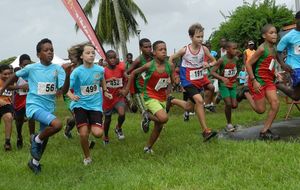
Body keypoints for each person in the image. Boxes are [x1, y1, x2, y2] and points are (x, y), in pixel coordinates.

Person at [0, 38, 72, 174]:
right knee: (57, 125)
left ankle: (34, 163)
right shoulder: (31, 68)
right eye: (46, 50)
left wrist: (67, 74)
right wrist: (2, 89)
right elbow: (14, 76)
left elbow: (63, 89)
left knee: (44, 138)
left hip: (48, 107)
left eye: (52, 50)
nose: (50, 52)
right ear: (38, 54)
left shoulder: (58, 69)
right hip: (34, 106)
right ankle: (35, 138)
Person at [121, 40, 174, 153]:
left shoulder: (170, 65)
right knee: (163, 118)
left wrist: (169, 91)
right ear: (155, 53)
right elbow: (132, 72)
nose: (164, 51)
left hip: (162, 96)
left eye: (165, 49)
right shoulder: (146, 63)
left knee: (159, 125)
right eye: (160, 50)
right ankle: (147, 116)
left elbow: (171, 82)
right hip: (149, 95)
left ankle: (148, 147)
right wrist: (126, 88)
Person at [168, 23, 217, 141]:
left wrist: (208, 64)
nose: (200, 39)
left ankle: (172, 100)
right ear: (191, 37)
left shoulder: (204, 49)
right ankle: (205, 131)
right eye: (198, 37)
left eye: (202, 37)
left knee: (189, 107)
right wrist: (172, 75)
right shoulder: (185, 50)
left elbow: (214, 60)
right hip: (187, 79)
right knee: (199, 101)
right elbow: (170, 59)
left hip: (198, 79)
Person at [67, 42, 112, 165]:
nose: (91, 55)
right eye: (88, 53)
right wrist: (71, 95)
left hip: (95, 105)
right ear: (81, 56)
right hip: (80, 104)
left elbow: (101, 78)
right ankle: (87, 157)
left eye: (93, 53)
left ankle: (90, 124)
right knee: (83, 134)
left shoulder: (99, 69)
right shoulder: (77, 72)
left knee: (98, 133)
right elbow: (66, 88)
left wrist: (106, 90)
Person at [244, 24, 280, 140]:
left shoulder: (274, 48)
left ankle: (264, 131)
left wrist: (276, 73)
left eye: (275, 32)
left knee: (275, 103)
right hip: (258, 80)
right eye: (271, 33)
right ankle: (246, 93)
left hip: (269, 81)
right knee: (261, 110)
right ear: (264, 36)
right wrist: (254, 81)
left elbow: (270, 63)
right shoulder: (261, 48)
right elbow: (248, 64)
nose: (274, 35)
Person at [126, 38, 153, 133]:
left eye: (150, 46)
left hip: (151, 89)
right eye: (146, 47)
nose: (149, 49)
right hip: (139, 89)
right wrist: (127, 85)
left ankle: (146, 120)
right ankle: (145, 120)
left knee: (152, 109)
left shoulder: (154, 57)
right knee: (144, 111)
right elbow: (127, 72)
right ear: (141, 48)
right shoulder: (138, 60)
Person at [211, 42, 239, 132]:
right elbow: (212, 72)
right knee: (229, 104)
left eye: (236, 48)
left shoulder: (236, 58)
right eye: (233, 49)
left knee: (234, 105)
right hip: (224, 84)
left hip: (233, 84)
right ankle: (229, 124)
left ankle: (219, 95)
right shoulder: (221, 60)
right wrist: (222, 78)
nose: (236, 50)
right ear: (227, 50)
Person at [103, 50, 127, 144]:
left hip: (118, 97)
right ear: (106, 59)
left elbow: (125, 80)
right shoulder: (103, 71)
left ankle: (118, 128)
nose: (113, 60)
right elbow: (100, 84)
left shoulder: (120, 69)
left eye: (114, 57)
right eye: (110, 58)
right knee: (107, 119)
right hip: (108, 99)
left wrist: (124, 89)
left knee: (122, 113)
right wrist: (108, 80)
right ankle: (106, 136)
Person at [276, 11, 300, 101]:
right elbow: (278, 52)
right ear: (296, 20)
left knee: (296, 96)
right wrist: (283, 64)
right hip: (294, 66)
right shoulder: (288, 36)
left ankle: (278, 85)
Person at [13, 54, 35, 149]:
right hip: (19, 100)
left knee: (31, 118)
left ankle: (32, 138)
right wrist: (20, 87)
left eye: (29, 64)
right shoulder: (18, 75)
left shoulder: (33, 74)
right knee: (19, 121)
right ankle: (19, 136)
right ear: (20, 65)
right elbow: (9, 86)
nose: (27, 67)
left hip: (30, 99)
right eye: (25, 65)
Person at [63, 44, 82, 139]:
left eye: (71, 56)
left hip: (79, 95)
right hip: (68, 95)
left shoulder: (84, 67)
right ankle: (84, 136)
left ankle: (67, 128)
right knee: (78, 115)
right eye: (69, 56)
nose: (69, 58)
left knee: (76, 117)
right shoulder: (68, 68)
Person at [0, 65, 15, 151]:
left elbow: (12, 92)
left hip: (6, 104)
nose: (7, 76)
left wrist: (12, 103)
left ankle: (7, 142)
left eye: (9, 74)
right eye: (5, 74)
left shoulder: (11, 82)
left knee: (9, 117)